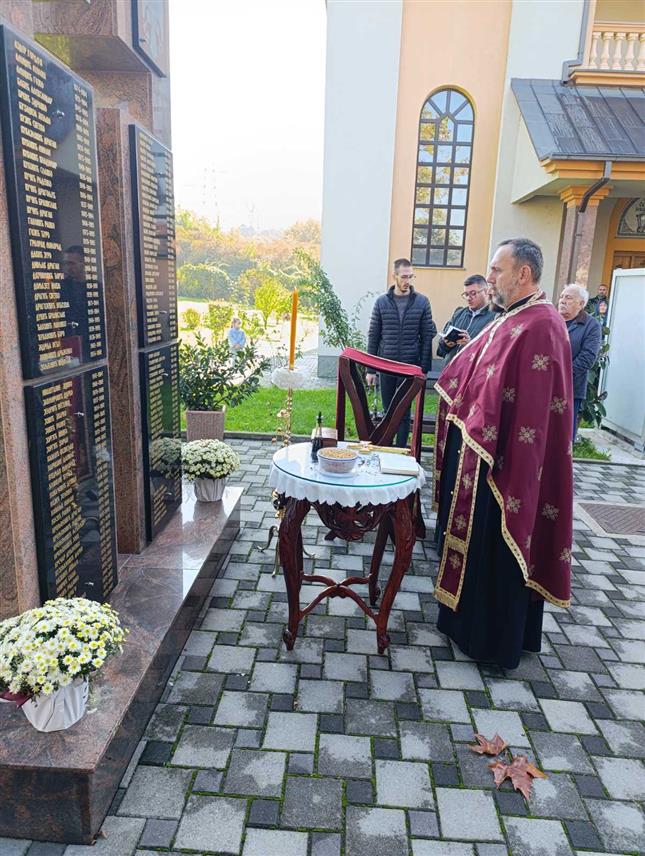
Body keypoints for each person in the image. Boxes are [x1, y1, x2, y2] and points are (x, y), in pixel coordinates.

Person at [433, 237, 573, 669]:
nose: (489, 278)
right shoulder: (511, 318)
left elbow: (533, 410)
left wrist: (491, 440)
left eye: (497, 270)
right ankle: (464, 624)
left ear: (523, 274)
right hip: (483, 452)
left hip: (507, 466)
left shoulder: (541, 325)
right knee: (477, 550)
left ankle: (491, 642)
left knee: (497, 548)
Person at [366, 258, 436, 447]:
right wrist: (370, 370)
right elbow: (374, 334)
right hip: (386, 366)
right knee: (388, 411)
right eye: (404, 276)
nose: (407, 280)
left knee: (404, 412)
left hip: (409, 367)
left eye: (410, 276)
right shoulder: (381, 302)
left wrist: (423, 370)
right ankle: (387, 449)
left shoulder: (422, 302)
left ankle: (401, 452)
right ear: (394, 275)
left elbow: (426, 335)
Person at [557, 284, 602, 442]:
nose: (562, 301)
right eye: (562, 296)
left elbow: (588, 357)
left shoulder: (591, 326)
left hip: (571, 389)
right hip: (545, 387)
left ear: (581, 303)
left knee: (563, 437)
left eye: (568, 298)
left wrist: (561, 374)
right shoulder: (551, 321)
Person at [437, 275, 496, 364]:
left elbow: (495, 353)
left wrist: (470, 344)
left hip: (473, 373)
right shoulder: (458, 313)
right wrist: (446, 344)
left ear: (486, 292)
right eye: (466, 294)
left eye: (473, 293)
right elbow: (441, 351)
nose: (469, 298)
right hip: (451, 371)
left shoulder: (496, 317)